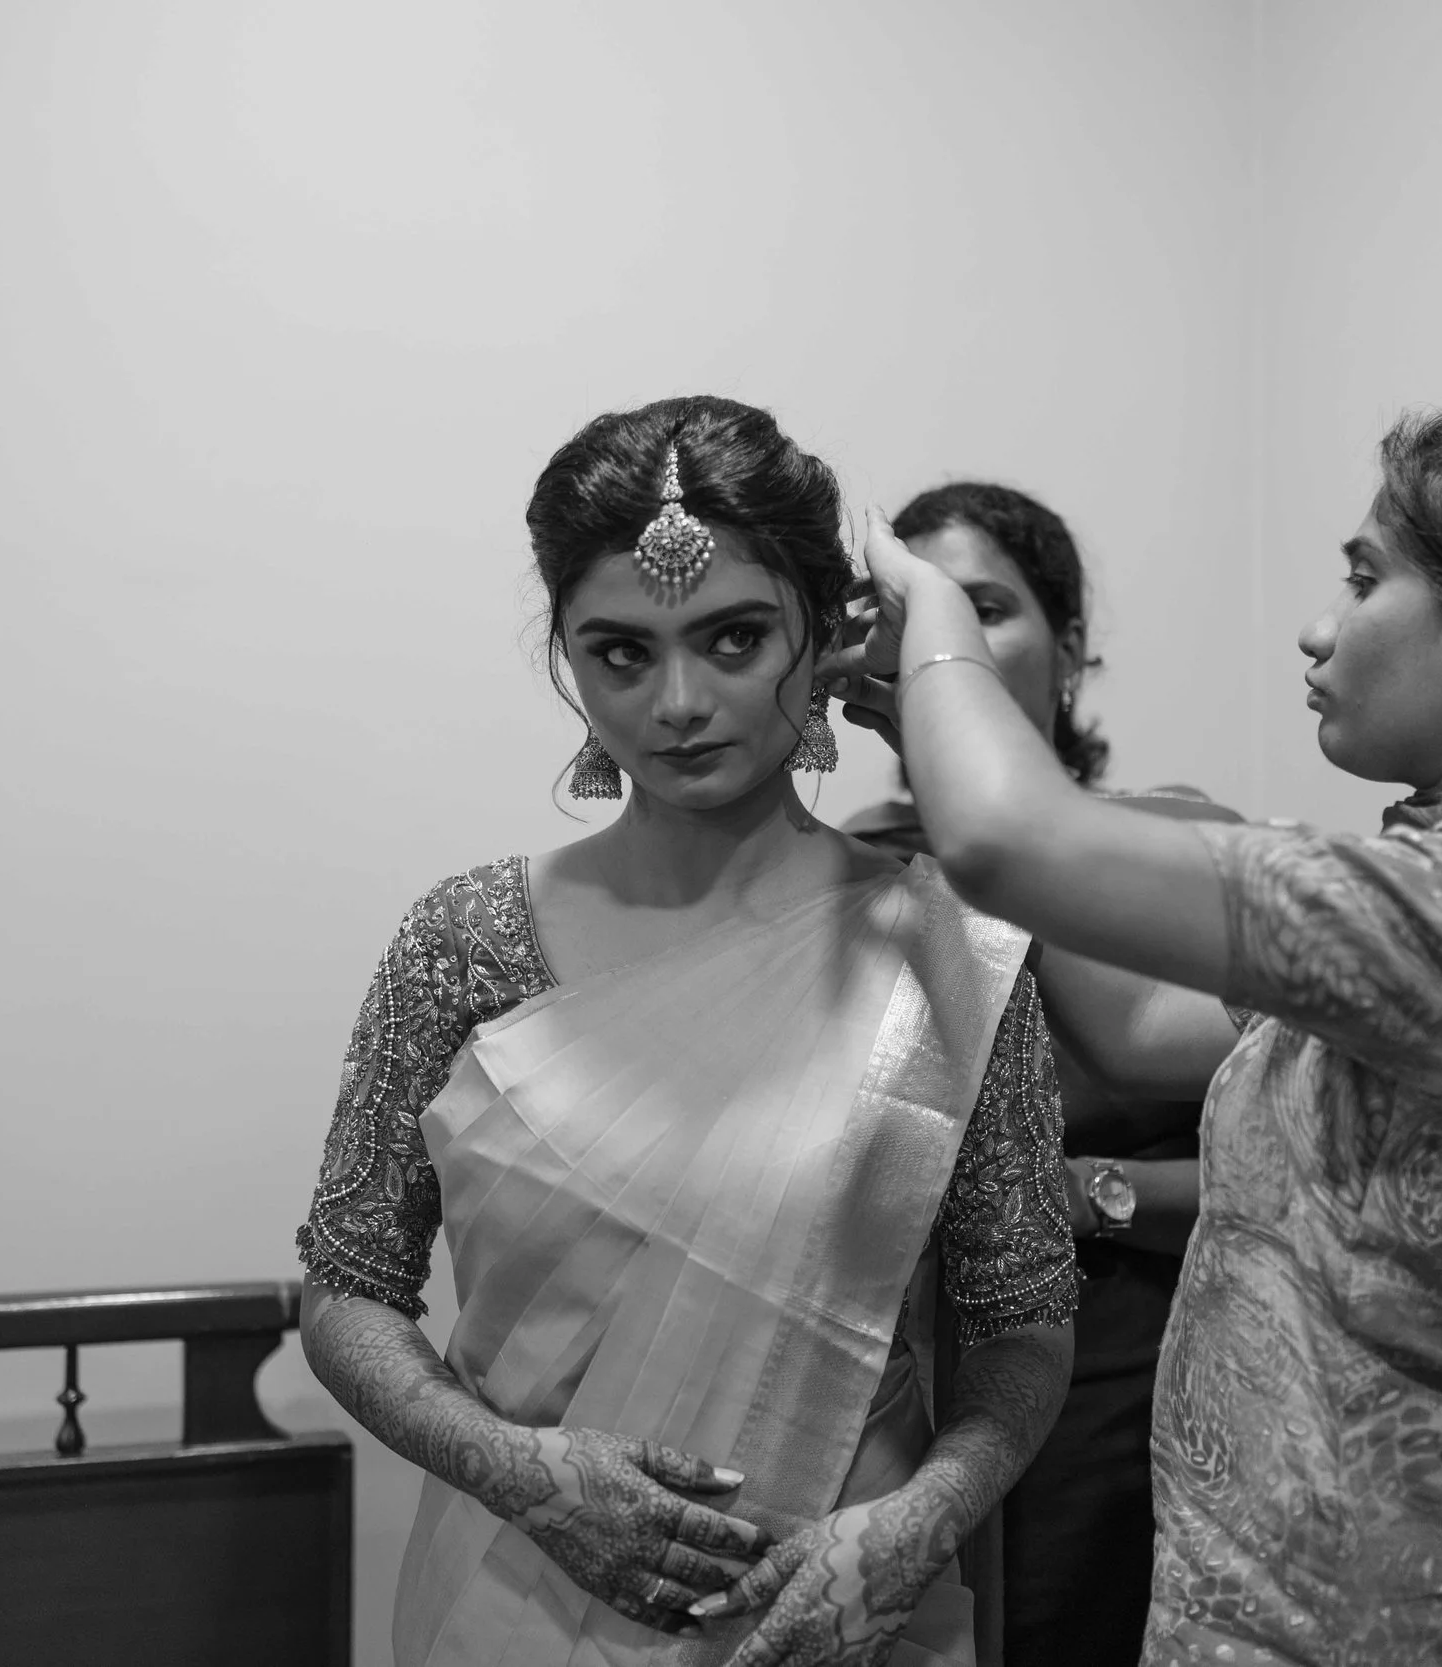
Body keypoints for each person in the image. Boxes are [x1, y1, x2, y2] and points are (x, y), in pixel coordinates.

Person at [829, 405, 1442, 1666]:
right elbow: (1140, 1022)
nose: (1317, 627)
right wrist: (918, 725)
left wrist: (935, 612)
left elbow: (1006, 837)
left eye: (1363, 580)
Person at [294, 394, 1079, 1667]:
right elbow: (347, 1291)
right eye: (620, 652)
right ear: (565, 654)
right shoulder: (466, 943)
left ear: (822, 632)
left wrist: (916, 1522)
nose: (676, 701)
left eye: (733, 639)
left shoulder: (939, 948)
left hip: (835, 1616)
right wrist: (519, 1470)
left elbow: (1021, 1320)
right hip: (513, 1599)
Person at [839, 481, 1237, 1667]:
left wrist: (1087, 1191)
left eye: (984, 609)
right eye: (916, 612)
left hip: (1139, 1364)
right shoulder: (840, 873)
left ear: (1069, 648)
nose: (944, 641)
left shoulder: (1179, 842)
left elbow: (1308, 1155)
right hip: (898, 1381)